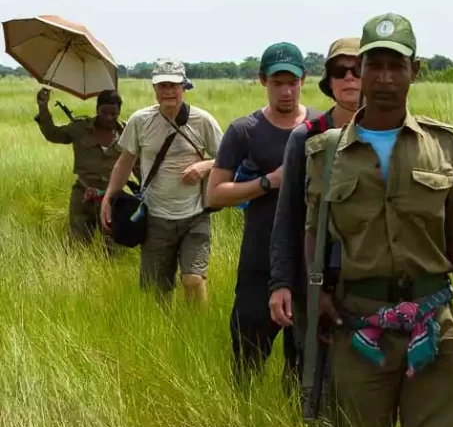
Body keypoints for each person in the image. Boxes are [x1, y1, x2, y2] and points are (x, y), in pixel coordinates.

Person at [303, 13, 453, 427]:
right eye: (374, 65)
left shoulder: (444, 145)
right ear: (359, 73)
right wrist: (319, 294)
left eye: (396, 65)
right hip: (359, 332)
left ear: (415, 71)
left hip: (437, 328)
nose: (385, 78)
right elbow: (314, 233)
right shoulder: (325, 152)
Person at [206, 42, 321, 386]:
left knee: (303, 365)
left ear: (304, 80)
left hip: (308, 262)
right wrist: (270, 182)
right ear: (262, 80)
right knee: (247, 360)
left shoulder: (320, 126)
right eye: (277, 83)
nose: (286, 91)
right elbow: (215, 193)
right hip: (259, 260)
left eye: (293, 82)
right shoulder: (245, 130)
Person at [268, 37, 361, 384]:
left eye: (358, 69)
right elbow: (287, 217)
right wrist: (281, 284)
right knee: (317, 378)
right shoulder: (306, 137)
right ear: (329, 81)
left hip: (373, 283)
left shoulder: (393, 136)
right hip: (319, 278)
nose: (350, 78)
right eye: (340, 71)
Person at [100, 58, 223, 303]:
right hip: (155, 217)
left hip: (195, 215)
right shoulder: (140, 121)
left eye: (174, 85)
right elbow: (124, 162)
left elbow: (230, 158)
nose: (168, 91)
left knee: (193, 279)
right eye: (162, 85)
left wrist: (206, 165)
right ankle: (165, 336)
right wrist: (108, 197)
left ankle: (196, 332)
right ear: (154, 88)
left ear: (185, 87)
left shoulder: (203, 121)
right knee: (156, 290)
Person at [35, 88, 138, 254]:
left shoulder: (126, 132)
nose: (109, 118)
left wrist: (146, 190)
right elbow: (53, 134)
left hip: (113, 198)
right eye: (104, 112)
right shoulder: (80, 128)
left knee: (114, 247)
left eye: (114, 114)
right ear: (97, 109)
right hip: (83, 195)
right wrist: (43, 107)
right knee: (78, 245)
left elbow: (137, 164)